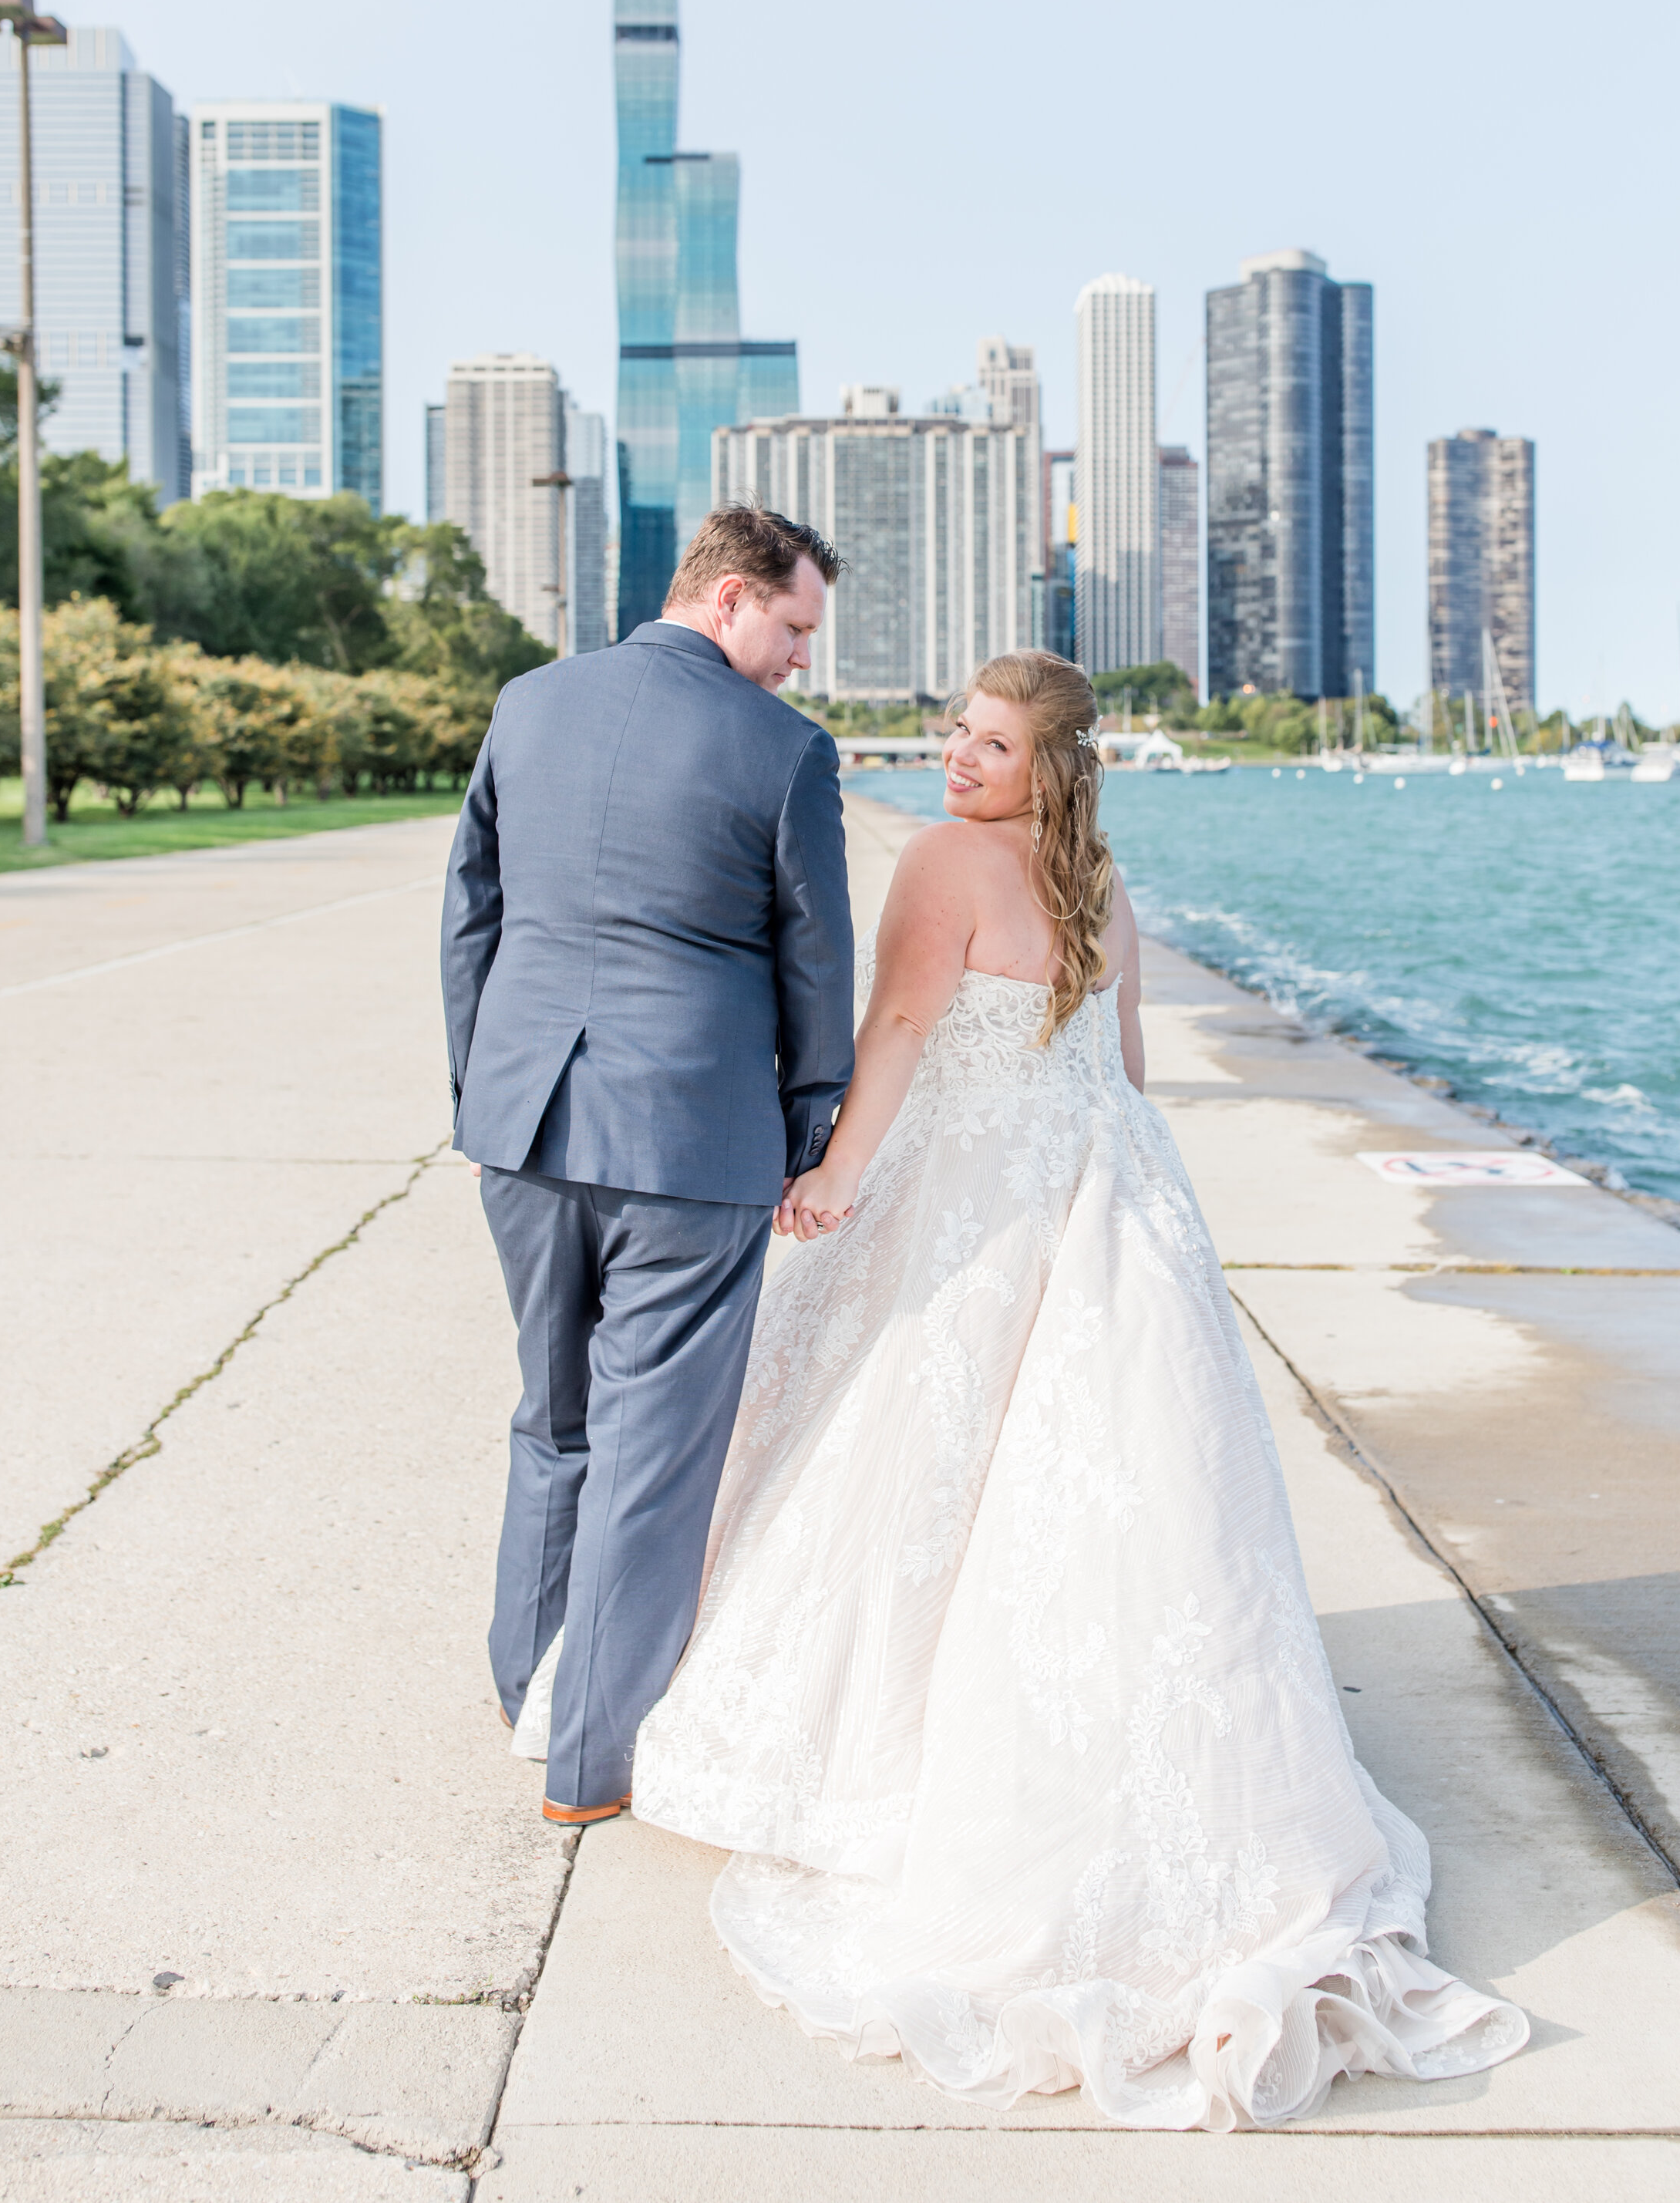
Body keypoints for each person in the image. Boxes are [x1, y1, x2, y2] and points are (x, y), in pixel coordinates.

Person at [632, 648, 1528, 2127]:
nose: (956, 756)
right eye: (955, 732)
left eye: (987, 743)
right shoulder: (1107, 888)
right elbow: (1120, 1072)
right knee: (1104, 1489)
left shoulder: (940, 863)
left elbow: (903, 1034)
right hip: (1105, 1197)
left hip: (974, 1198)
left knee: (909, 1452)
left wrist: (836, 1183)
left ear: (1043, 766)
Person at [441, 507, 855, 1827]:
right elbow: (815, 966)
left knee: (551, 1414)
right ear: (731, 597)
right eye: (793, 627)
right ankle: (592, 1760)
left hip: (526, 1125)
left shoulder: (532, 700)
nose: (801, 659)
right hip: (692, 1140)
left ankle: (529, 1695)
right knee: (657, 1453)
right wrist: (810, 1130)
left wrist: (482, 1100)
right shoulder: (786, 752)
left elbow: (473, 915)